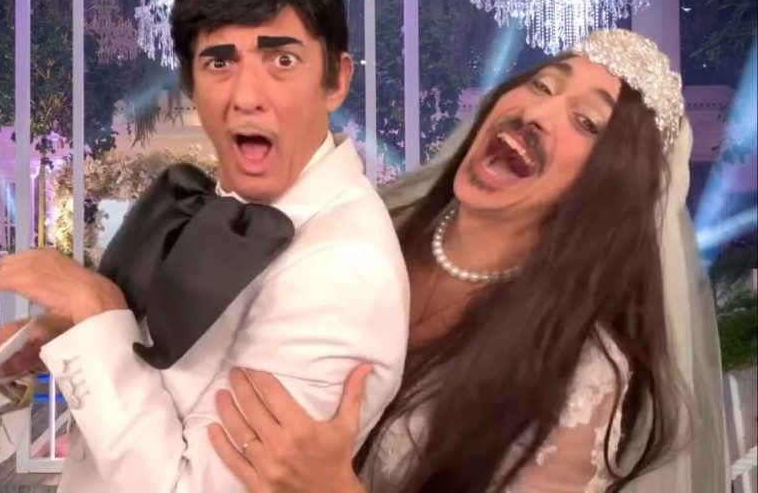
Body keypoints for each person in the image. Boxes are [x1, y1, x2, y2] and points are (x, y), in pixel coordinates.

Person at [0, 0, 411, 492]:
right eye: (220, 61)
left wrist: (95, 308)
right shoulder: (227, 206)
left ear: (336, 80)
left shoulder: (345, 268)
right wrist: (72, 331)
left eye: (282, 59)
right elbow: (169, 371)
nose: (247, 95)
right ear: (192, 84)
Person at [208, 29, 729, 492]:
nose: (537, 113)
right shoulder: (368, 232)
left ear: (612, 189)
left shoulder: (583, 376)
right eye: (543, 86)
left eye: (586, 121)